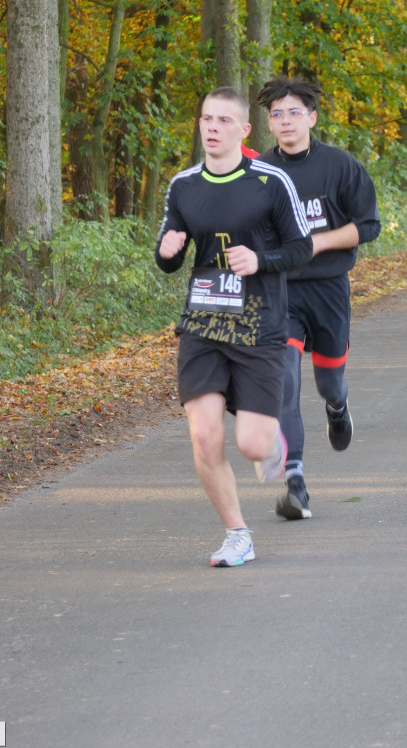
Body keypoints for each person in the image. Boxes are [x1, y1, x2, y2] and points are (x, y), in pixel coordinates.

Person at [156, 86, 313, 565]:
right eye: (206, 119)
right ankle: (237, 534)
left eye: (224, 121)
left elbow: (302, 247)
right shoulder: (183, 185)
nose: (212, 128)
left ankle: (268, 439)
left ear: (244, 130)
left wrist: (260, 260)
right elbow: (169, 251)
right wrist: (168, 251)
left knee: (252, 444)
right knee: (204, 436)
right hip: (202, 322)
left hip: (259, 325)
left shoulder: (270, 181)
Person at [256, 76, 381, 521]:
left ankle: (338, 407)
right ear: (268, 123)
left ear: (311, 117)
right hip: (279, 293)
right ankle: (295, 482)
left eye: (293, 112)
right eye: (276, 113)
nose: (285, 120)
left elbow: (368, 226)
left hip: (328, 290)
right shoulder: (259, 174)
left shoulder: (340, 166)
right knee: (285, 384)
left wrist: (317, 243)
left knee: (330, 381)